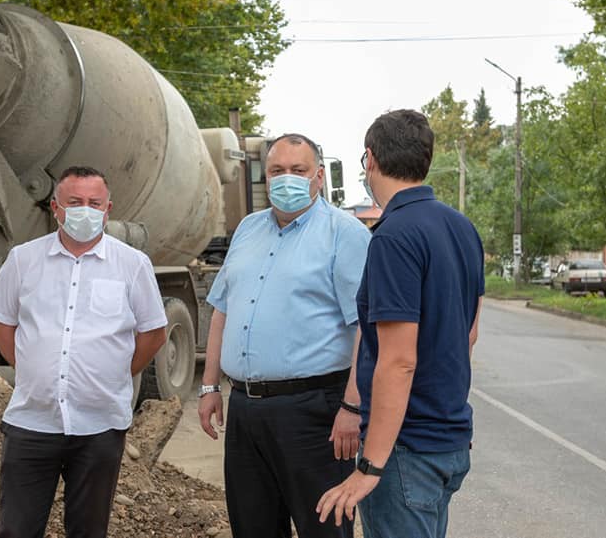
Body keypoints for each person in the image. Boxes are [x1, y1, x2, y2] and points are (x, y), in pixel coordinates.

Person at [316, 110, 484, 538]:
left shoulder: (393, 236)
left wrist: (370, 466)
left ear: (368, 159)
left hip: (407, 451)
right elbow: (469, 333)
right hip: (448, 441)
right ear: (426, 159)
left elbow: (397, 361)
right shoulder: (462, 228)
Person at [0, 166, 167, 538]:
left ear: (108, 208)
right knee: (16, 530)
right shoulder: (23, 260)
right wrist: (34, 368)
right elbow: (1, 327)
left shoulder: (132, 265)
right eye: (75, 202)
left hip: (99, 427)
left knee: (88, 531)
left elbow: (154, 333)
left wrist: (114, 374)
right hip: (33, 424)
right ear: (55, 208)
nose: (85, 211)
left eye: (94, 203)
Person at [198, 133, 371, 538]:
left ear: (319, 177)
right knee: (252, 526)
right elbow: (223, 308)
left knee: (323, 528)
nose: (286, 179)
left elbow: (368, 328)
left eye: (298, 170)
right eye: (277, 171)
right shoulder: (247, 229)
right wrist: (209, 387)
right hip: (245, 411)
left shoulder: (344, 234)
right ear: (264, 176)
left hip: (315, 413)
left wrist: (352, 407)